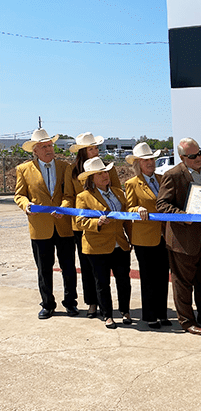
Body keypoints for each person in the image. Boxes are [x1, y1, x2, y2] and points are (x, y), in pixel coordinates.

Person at [156, 137, 201, 335]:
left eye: (199, 152)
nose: (198, 158)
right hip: (184, 237)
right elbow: (162, 205)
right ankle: (186, 320)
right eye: (193, 156)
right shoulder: (173, 175)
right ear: (182, 158)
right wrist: (184, 217)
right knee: (183, 281)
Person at [14, 128, 78, 319]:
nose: (49, 149)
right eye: (44, 147)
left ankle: (70, 303)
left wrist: (64, 207)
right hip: (40, 227)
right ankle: (48, 304)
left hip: (63, 225)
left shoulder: (65, 167)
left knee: (68, 267)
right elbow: (19, 195)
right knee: (44, 268)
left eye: (50, 145)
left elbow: (69, 195)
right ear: (35, 150)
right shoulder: (23, 170)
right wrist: (26, 205)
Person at [75, 157, 132, 329]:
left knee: (124, 280)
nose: (105, 175)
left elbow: (127, 218)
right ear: (91, 178)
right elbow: (79, 222)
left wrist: (131, 238)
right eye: (99, 173)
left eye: (105, 171)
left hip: (120, 243)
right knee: (102, 282)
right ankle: (107, 315)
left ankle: (125, 311)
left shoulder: (118, 192)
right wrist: (96, 223)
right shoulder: (83, 197)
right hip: (97, 246)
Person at [68, 132, 121, 318]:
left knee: (105, 269)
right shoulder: (72, 171)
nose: (95, 151)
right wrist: (65, 209)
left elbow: (116, 191)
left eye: (96, 148)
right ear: (82, 151)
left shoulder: (107, 168)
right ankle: (91, 303)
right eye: (91, 148)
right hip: (82, 225)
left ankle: (111, 306)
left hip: (108, 226)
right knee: (87, 266)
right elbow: (68, 196)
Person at [124, 142, 171, 330]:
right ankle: (150, 315)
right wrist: (138, 208)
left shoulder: (162, 179)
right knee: (149, 277)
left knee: (162, 276)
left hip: (164, 235)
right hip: (144, 237)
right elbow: (129, 207)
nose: (150, 163)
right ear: (138, 164)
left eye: (152, 159)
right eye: (146, 160)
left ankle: (161, 313)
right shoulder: (132, 184)